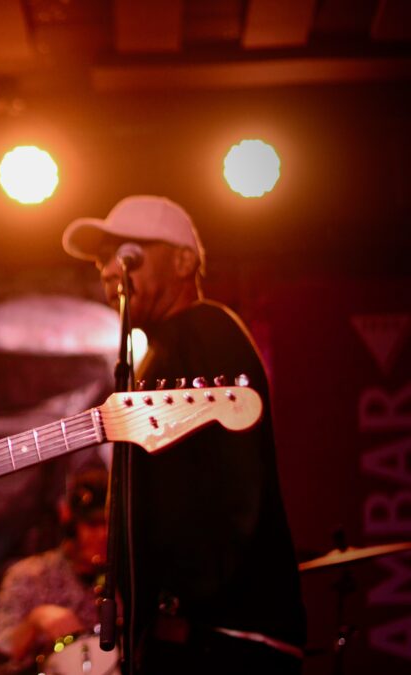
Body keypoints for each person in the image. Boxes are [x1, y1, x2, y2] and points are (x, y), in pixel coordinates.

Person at [61, 195, 306, 674]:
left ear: (183, 260)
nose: (109, 270)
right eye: (100, 261)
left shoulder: (206, 330)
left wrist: (180, 602)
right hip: (196, 633)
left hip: (224, 636)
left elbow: (236, 483)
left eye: (124, 254)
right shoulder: (161, 350)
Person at [0, 466, 112, 672]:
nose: (104, 535)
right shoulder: (29, 575)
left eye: (110, 525)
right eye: (93, 524)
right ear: (70, 522)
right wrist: (34, 620)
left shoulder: (128, 581)